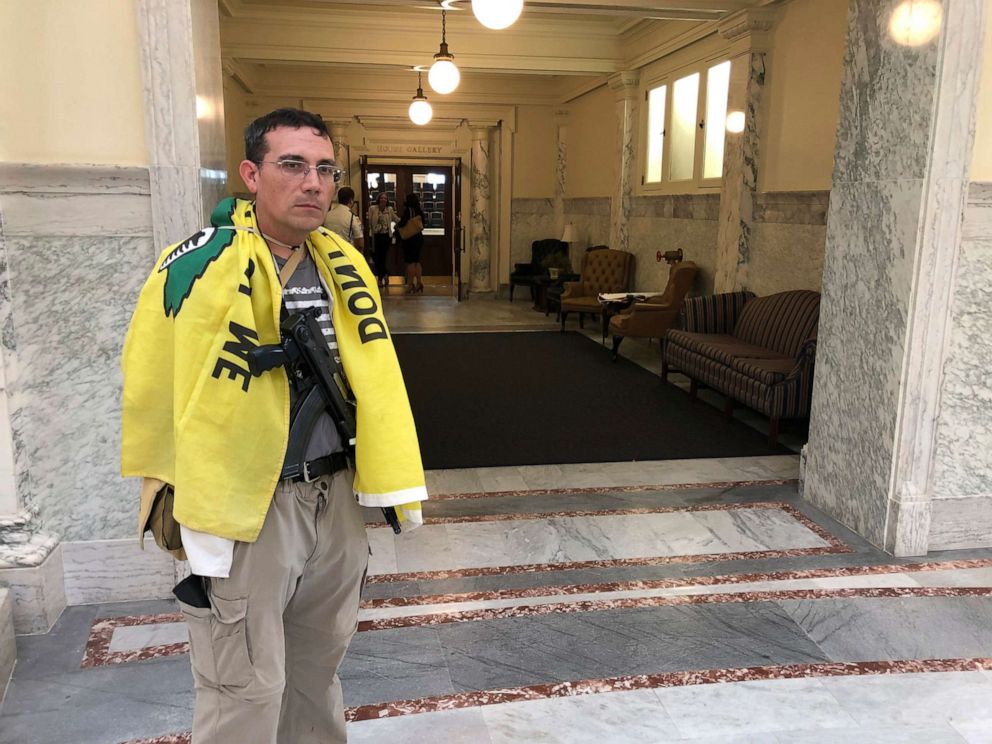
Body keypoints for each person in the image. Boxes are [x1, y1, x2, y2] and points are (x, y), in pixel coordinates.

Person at [121, 108, 427, 744]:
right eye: (292, 165)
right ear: (251, 174)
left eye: (324, 169)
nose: (312, 182)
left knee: (318, 670)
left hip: (333, 495)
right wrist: (185, 501)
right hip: (249, 506)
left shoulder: (345, 264)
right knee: (245, 685)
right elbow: (155, 385)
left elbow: (372, 378)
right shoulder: (196, 268)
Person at [395, 191, 425, 293]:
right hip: (419, 238)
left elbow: (403, 223)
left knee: (410, 262)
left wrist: (397, 225)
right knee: (417, 261)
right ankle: (420, 283)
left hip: (410, 239)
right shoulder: (419, 211)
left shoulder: (408, 211)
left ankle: (410, 284)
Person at [323, 185, 365, 255]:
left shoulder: (327, 215)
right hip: (346, 253)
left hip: (329, 253)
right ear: (351, 201)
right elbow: (360, 242)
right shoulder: (353, 217)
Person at [367, 191, 396, 289]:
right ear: (378, 199)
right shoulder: (372, 209)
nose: (383, 199)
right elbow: (370, 222)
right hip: (375, 237)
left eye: (385, 198)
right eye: (382, 198)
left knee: (382, 258)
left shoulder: (390, 209)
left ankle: (379, 279)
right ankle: (386, 274)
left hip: (386, 237)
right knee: (376, 258)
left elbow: (396, 219)